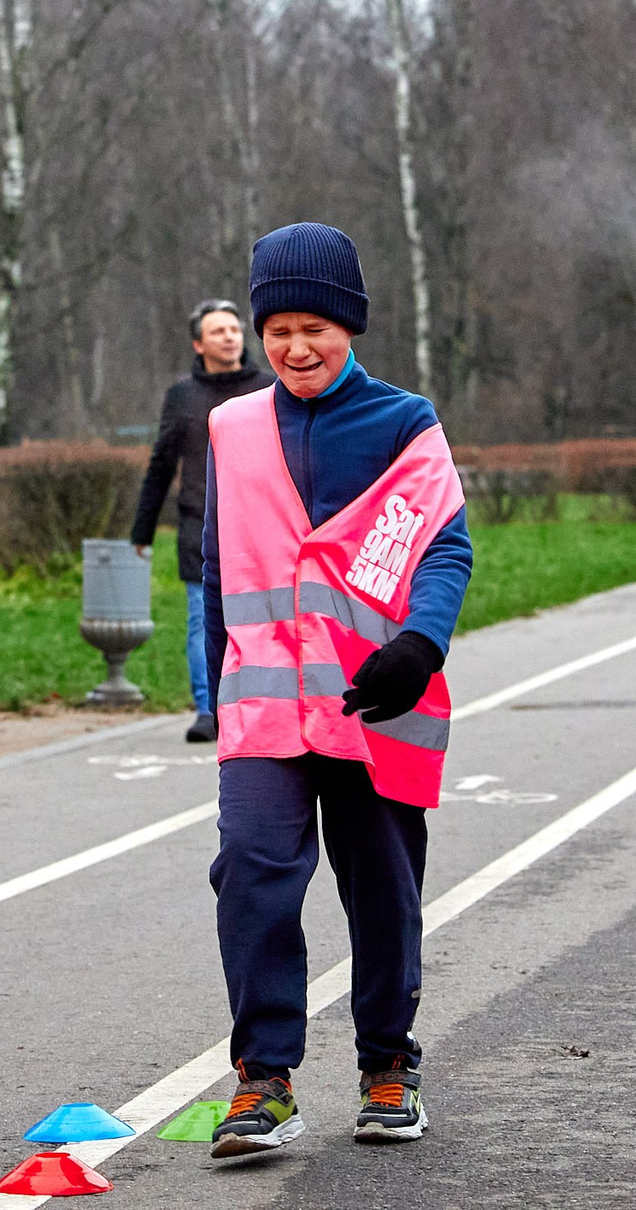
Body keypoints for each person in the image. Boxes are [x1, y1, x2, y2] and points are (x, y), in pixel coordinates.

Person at [198, 223, 473, 1159]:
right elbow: (218, 565)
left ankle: (389, 1062)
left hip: (377, 702)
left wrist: (421, 645)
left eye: (316, 325)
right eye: (278, 328)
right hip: (265, 705)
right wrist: (212, 694)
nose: (296, 347)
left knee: (382, 887)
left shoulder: (405, 423)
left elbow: (445, 545)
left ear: (350, 324)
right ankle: (263, 1079)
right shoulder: (232, 428)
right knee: (252, 874)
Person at [129, 298, 268, 742]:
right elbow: (161, 464)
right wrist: (142, 530)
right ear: (198, 343)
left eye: (233, 329)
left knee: (264, 616)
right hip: (200, 526)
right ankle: (208, 709)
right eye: (218, 331)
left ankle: (262, 701)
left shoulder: (270, 387)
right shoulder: (182, 396)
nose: (229, 337)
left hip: (262, 526)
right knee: (201, 618)